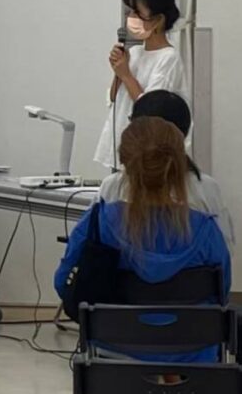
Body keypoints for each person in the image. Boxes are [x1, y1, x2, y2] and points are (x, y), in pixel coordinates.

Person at [56, 117, 230, 362]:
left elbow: (63, 283)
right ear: (178, 167)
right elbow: (222, 292)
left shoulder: (98, 222)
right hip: (192, 354)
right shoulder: (205, 229)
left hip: (113, 351)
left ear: (125, 166)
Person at [99, 90, 235, 250]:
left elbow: (85, 249)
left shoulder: (112, 187)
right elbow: (225, 248)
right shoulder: (206, 188)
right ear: (183, 134)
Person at [95, 0, 190, 170]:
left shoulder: (168, 58)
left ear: (158, 20)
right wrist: (118, 71)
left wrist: (126, 74)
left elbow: (152, 109)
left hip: (146, 150)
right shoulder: (135, 52)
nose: (131, 18)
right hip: (120, 141)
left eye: (137, 13)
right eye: (130, 12)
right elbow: (113, 98)